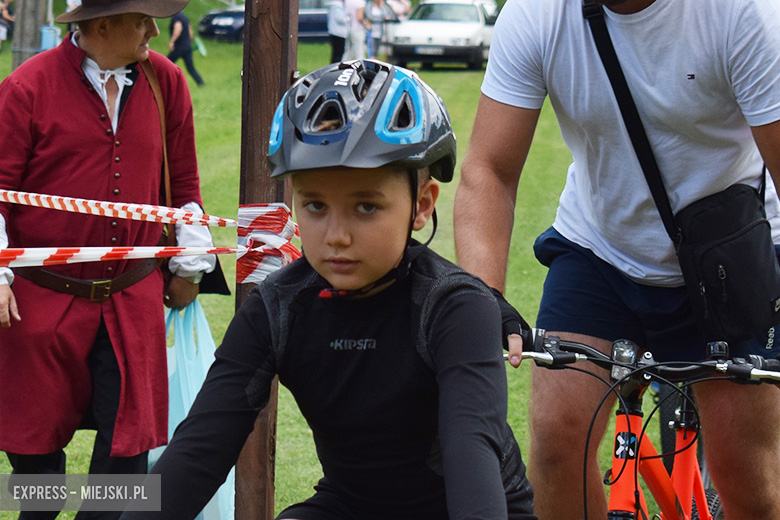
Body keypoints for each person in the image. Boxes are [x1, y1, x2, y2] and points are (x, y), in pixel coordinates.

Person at [119, 59, 537, 520]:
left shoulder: (457, 309)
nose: (336, 235)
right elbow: (197, 452)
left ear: (421, 206)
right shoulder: (277, 309)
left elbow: (471, 464)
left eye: (365, 206)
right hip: (351, 506)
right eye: (315, 205)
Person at [453, 0, 780, 519]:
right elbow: (488, 171)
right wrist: (482, 296)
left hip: (727, 256)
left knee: (745, 476)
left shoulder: (743, 14)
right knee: (559, 440)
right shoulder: (538, 14)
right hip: (599, 247)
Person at [0, 0, 218, 518]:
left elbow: (184, 182)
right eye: (141, 20)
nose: (153, 32)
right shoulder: (26, 88)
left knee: (128, 454)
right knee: (32, 456)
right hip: (40, 302)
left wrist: (189, 264)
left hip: (132, 298)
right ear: (101, 25)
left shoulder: (166, 82)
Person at [167, 10, 204, 87]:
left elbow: (178, 28)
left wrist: (172, 41)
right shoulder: (184, 17)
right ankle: (201, 83)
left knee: (166, 64)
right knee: (190, 67)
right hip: (187, 46)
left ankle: (161, 82)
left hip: (179, 47)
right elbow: (191, 32)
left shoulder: (176, 17)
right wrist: (188, 44)